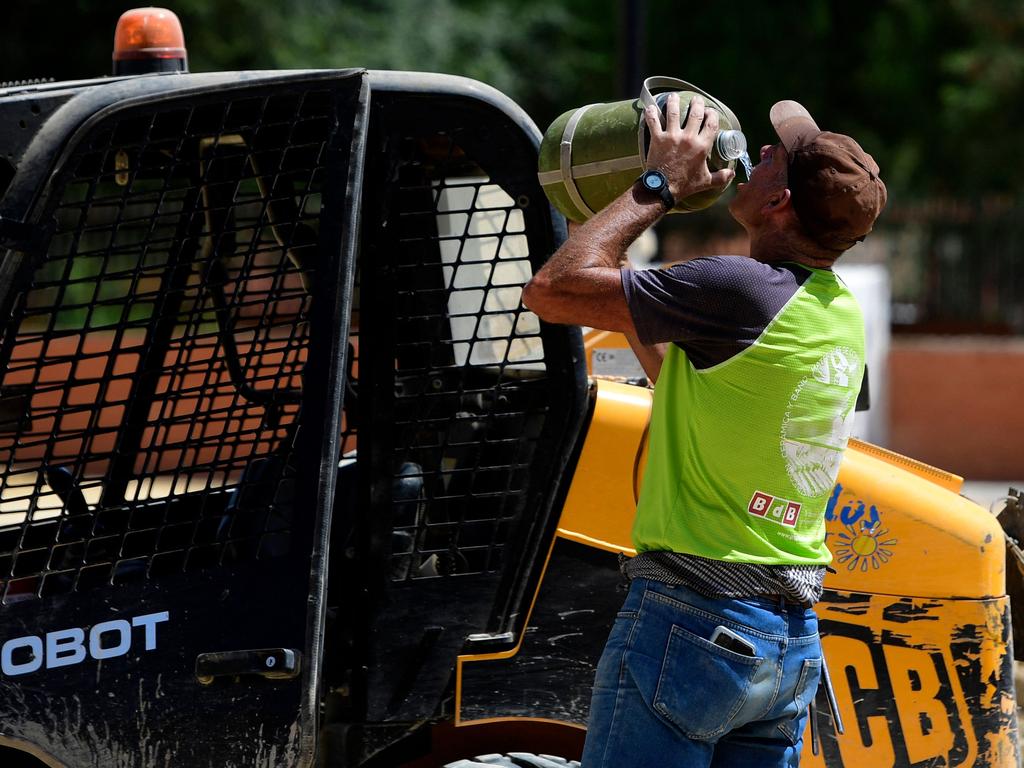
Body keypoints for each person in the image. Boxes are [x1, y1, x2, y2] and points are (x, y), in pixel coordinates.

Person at [522, 92, 887, 767]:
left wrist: (658, 185)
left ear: (779, 203)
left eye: (776, 155)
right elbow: (691, 380)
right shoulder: (834, 312)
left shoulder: (740, 289)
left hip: (693, 623)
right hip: (788, 644)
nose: (762, 149)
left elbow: (550, 290)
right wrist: (611, 245)